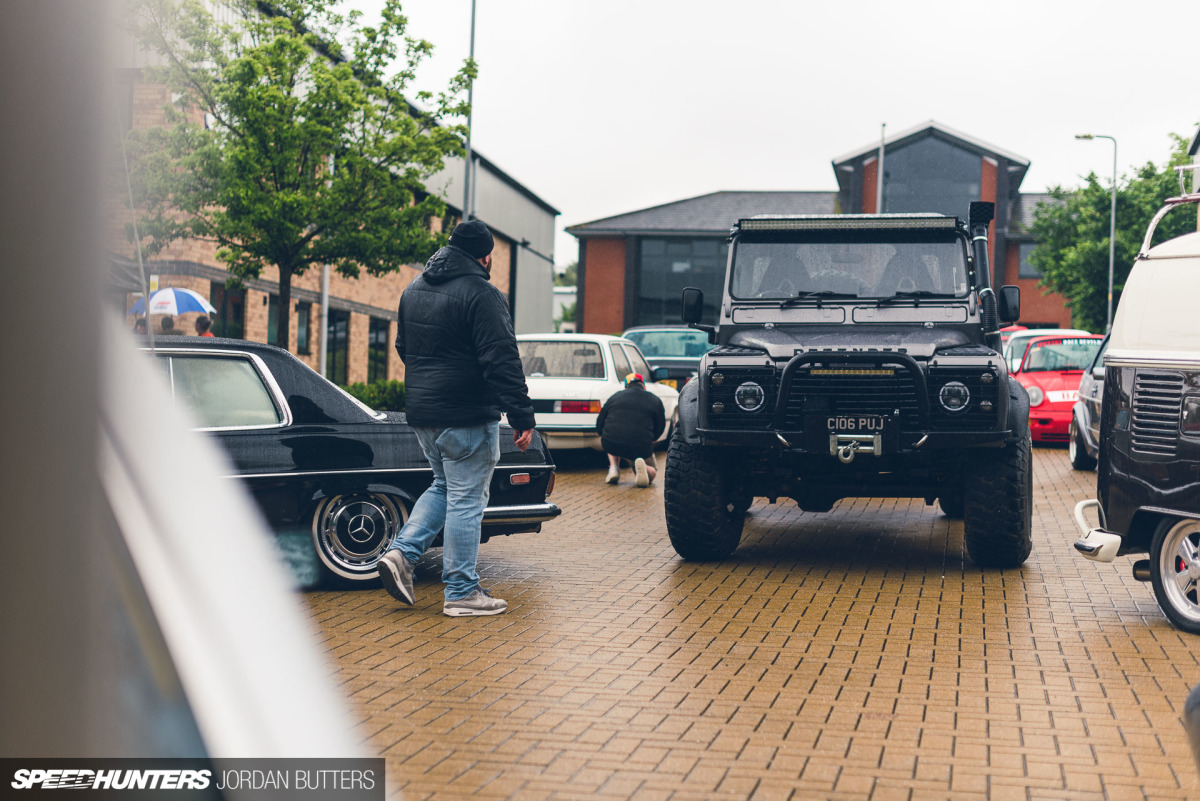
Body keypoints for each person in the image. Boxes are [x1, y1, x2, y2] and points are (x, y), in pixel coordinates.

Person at [377, 220, 536, 617]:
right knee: (467, 500)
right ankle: (462, 592)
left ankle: (401, 554)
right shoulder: (482, 293)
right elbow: (501, 358)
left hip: (424, 414)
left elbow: (404, 347)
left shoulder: (413, 289)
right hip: (466, 415)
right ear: (485, 256)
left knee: (444, 486)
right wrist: (521, 415)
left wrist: (431, 386)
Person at [597, 372, 666, 488]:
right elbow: (660, 426)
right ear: (644, 385)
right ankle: (642, 468)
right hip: (640, 445)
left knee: (611, 434)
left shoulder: (614, 397)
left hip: (611, 443)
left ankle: (614, 467)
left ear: (626, 386)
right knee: (652, 469)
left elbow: (600, 424)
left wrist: (603, 435)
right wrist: (652, 440)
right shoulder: (654, 400)